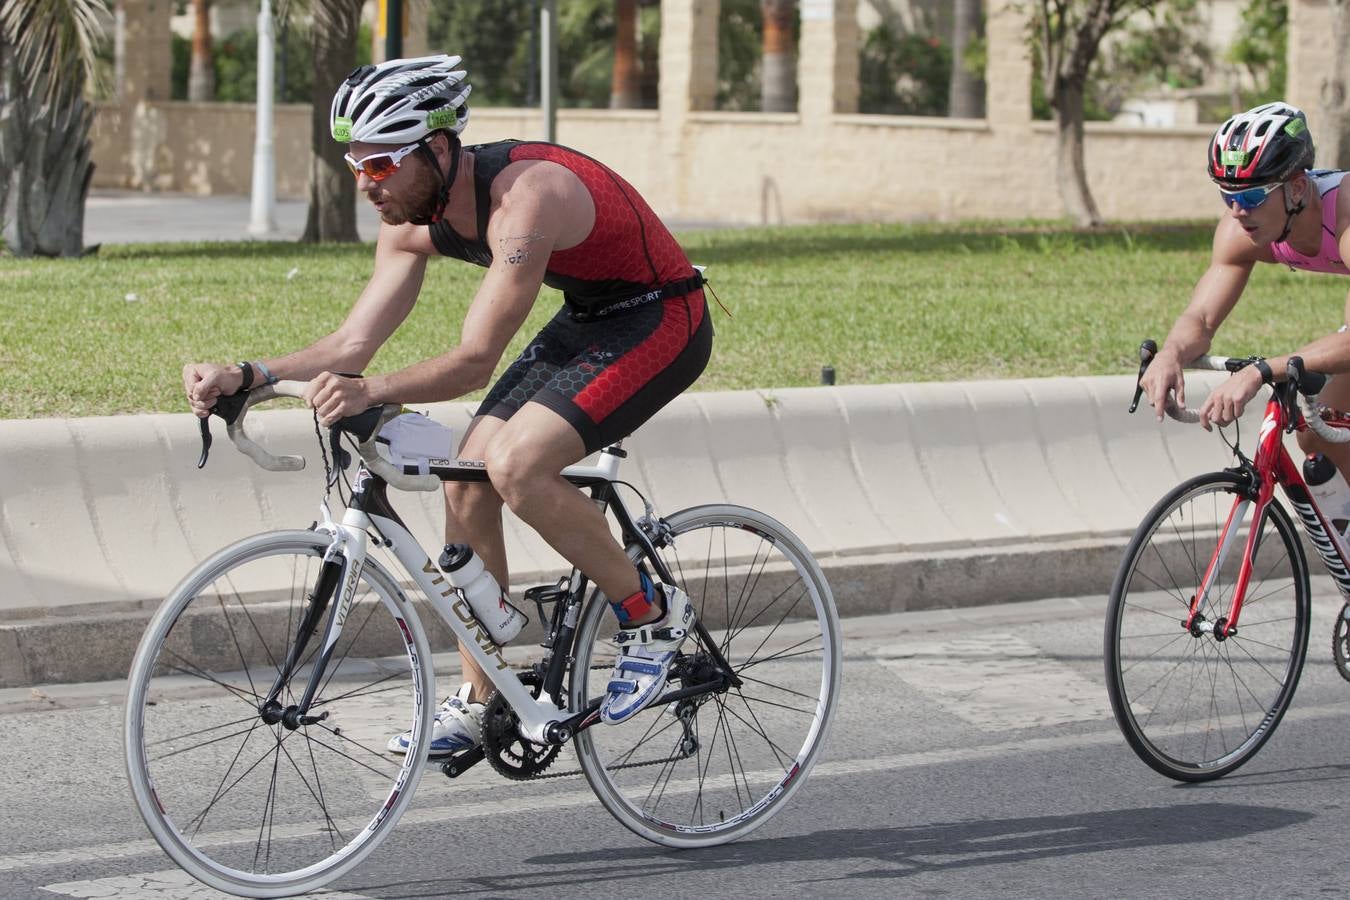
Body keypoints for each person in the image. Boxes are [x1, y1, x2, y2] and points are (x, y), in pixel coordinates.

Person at [183, 54, 713, 755]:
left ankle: (649, 612)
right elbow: (353, 339)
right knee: (465, 479)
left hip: (660, 316)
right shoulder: (408, 216)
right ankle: (482, 698)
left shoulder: (529, 198)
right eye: (355, 165)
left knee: (518, 466)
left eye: (381, 166)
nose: (366, 185)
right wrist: (249, 373)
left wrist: (371, 390)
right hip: (589, 314)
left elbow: (473, 359)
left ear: (436, 147)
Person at [1141, 100, 1350, 479]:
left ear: (1298, 188)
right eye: (1227, 195)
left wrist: (1260, 371)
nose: (1238, 210)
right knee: (1323, 433)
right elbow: (1201, 318)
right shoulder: (1244, 229)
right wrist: (1170, 352)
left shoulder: (1346, 212)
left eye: (1251, 196)